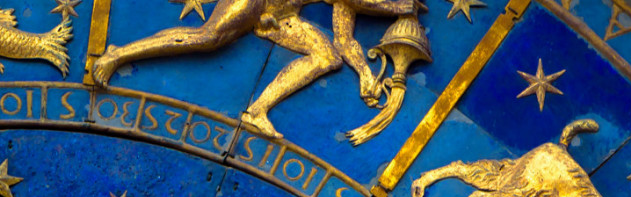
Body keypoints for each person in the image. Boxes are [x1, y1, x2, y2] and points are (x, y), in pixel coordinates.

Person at [92, 0, 417, 138]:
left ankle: (257, 111)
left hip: (281, 16)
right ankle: (119, 54)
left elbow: (344, 40)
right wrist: (401, 6)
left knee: (327, 56)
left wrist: (364, 74)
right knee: (209, 36)